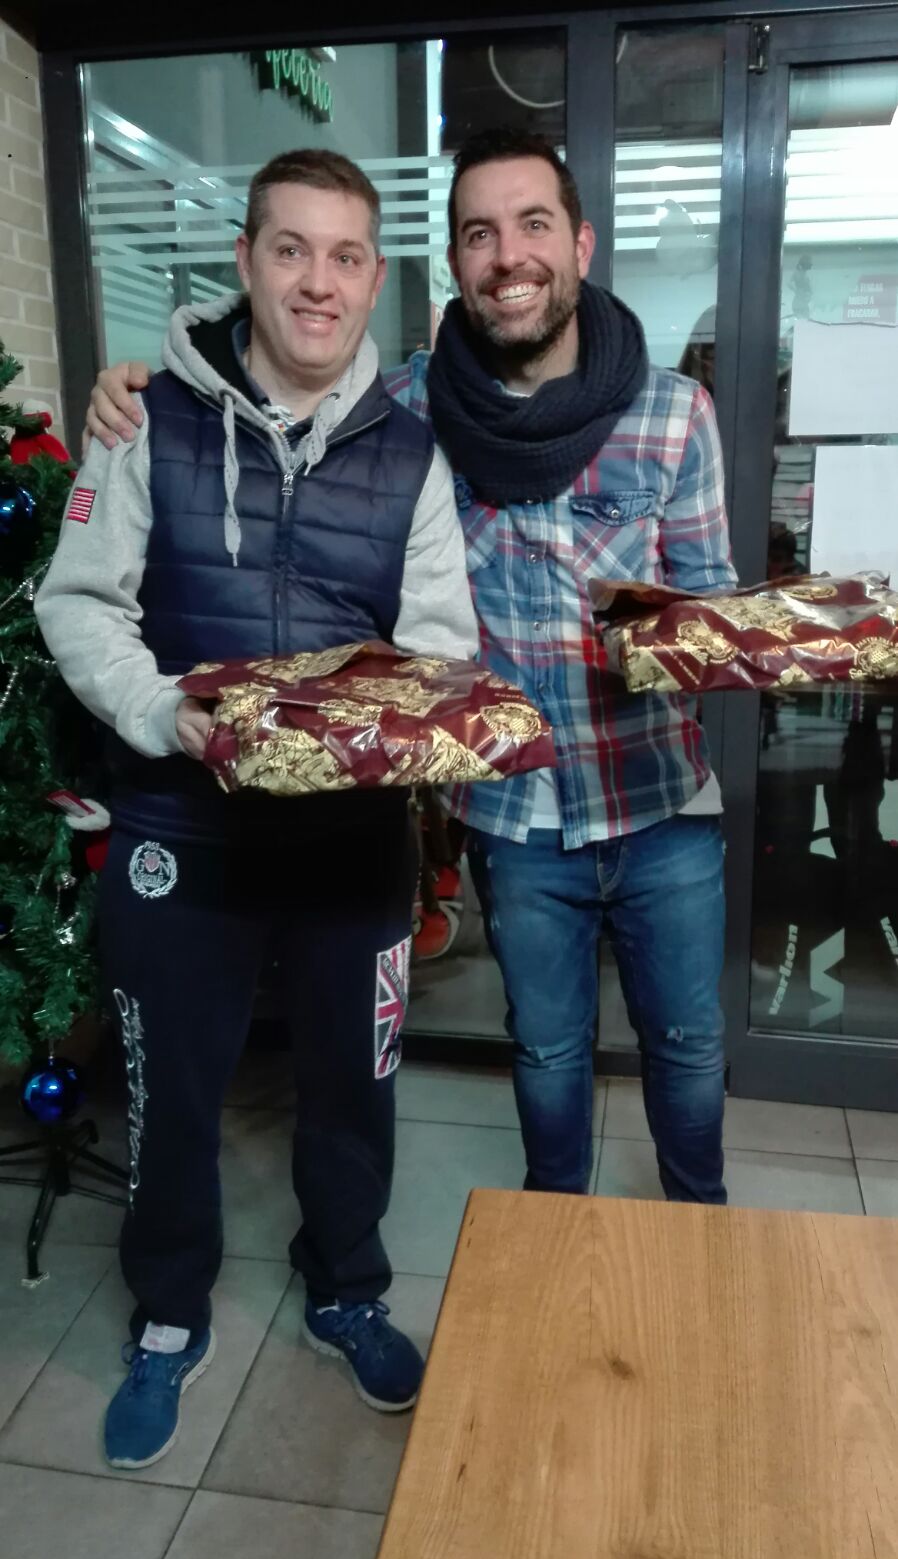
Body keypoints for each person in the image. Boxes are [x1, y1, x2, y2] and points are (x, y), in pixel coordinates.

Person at [86, 127, 737, 1211]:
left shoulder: (674, 414)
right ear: (454, 264)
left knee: (688, 1049)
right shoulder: (411, 414)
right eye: (479, 233)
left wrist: (688, 639)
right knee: (546, 1054)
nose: (508, 254)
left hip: (661, 800)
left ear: (578, 245)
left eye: (533, 225)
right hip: (519, 820)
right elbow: (286, 376)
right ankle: (549, 1251)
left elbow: (709, 608)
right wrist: (142, 383)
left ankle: (704, 1242)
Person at [37, 148, 478, 1471]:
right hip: (183, 834)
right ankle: (169, 1314)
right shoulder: (146, 421)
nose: (317, 282)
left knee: (356, 1086)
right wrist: (161, 712)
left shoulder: (411, 456)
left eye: (344, 257)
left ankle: (345, 1286)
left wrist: (398, 731)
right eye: (291, 249)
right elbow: (77, 603)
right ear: (244, 261)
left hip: (352, 845)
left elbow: (440, 645)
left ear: (375, 279)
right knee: (171, 1094)